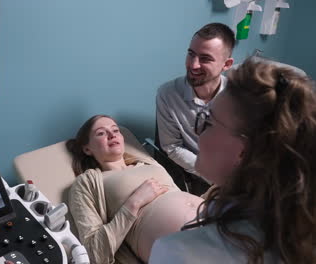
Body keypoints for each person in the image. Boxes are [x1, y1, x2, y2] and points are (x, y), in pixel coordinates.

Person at [149, 58, 316, 263]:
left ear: (244, 152)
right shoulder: (297, 225)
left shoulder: (179, 253)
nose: (196, 130)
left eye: (208, 121)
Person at [66, 115, 205, 263]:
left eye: (115, 130)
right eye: (101, 133)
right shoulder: (86, 183)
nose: (112, 134)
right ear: (87, 149)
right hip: (182, 249)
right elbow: (95, 253)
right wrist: (134, 202)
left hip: (214, 223)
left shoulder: (147, 163)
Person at [156, 22, 235, 190]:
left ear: (226, 65)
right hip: (197, 173)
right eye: (191, 54)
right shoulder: (168, 94)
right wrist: (212, 176)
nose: (193, 65)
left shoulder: (239, 97)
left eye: (205, 59)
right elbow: (172, 147)